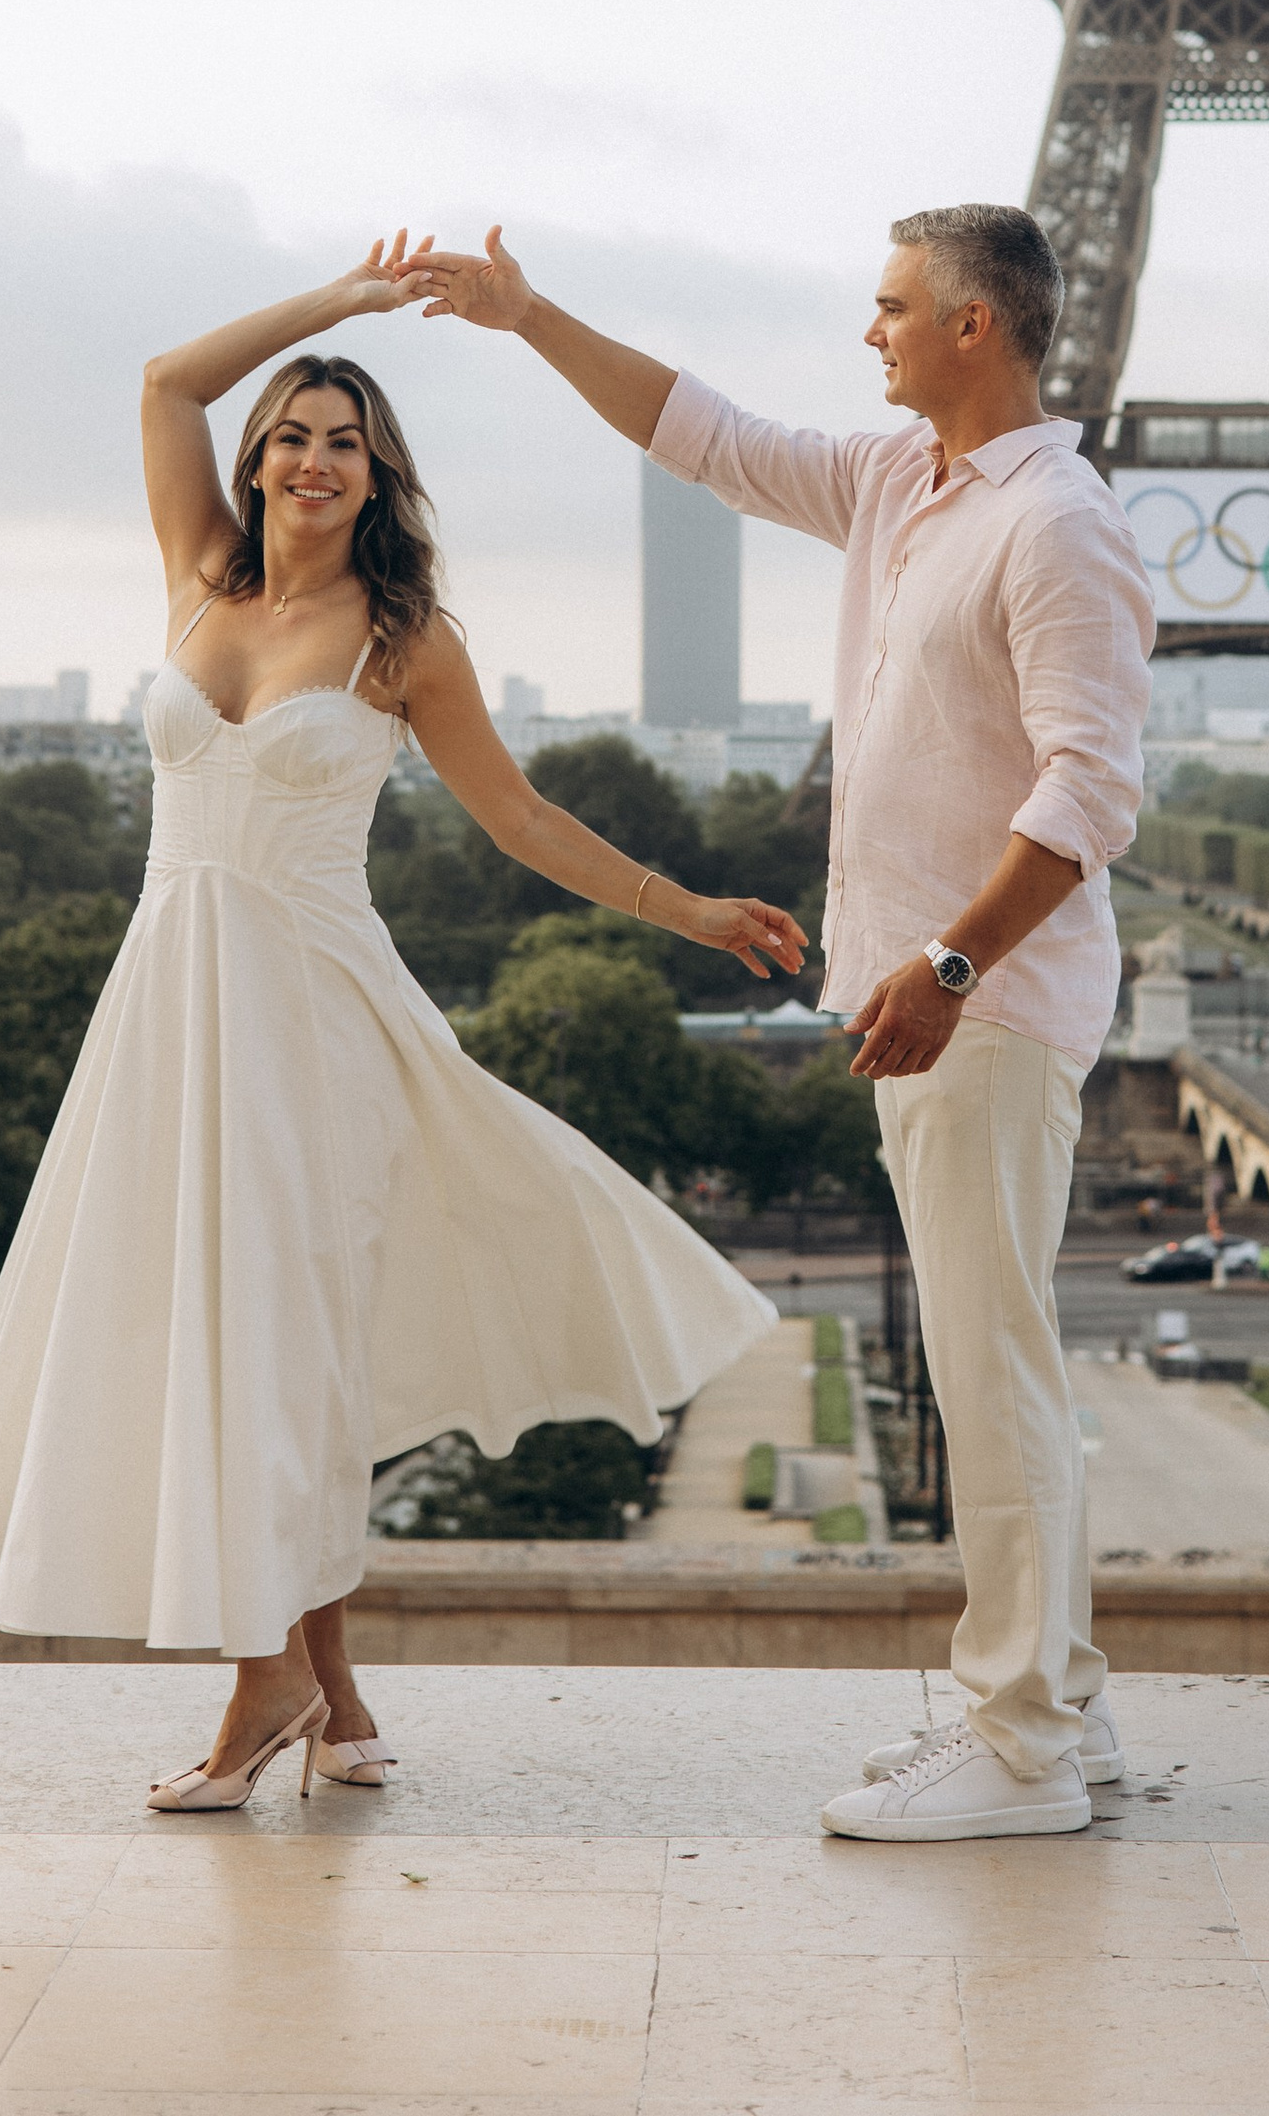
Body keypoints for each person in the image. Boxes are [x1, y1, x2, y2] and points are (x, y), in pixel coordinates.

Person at [0, 239, 800, 1811]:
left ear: (379, 474)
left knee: (281, 1342)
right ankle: (333, 1693)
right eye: (294, 434)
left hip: (314, 1018)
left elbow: (521, 820)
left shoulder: (408, 638)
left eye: (344, 440)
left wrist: (698, 911)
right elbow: (164, 379)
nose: (313, 459)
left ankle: (266, 1687)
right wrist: (343, 301)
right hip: (174, 1002)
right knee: (250, 1339)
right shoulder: (200, 574)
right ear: (257, 462)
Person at [405, 203, 1152, 1843]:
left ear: (975, 325)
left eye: (891, 307)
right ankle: (1055, 1710)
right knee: (996, 1356)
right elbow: (708, 434)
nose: (867, 332)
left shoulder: (1060, 524)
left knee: (992, 1361)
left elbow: (1093, 786)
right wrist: (530, 314)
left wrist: (948, 967)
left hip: (985, 1005)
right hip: (932, 994)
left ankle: (1020, 1738)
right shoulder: (904, 484)